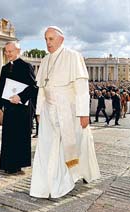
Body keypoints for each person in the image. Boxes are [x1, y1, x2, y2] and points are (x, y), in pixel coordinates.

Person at [30, 26, 100, 198]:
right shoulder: (45, 59)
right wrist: (38, 111)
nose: (48, 43)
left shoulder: (72, 56)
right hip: (48, 110)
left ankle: (81, 173)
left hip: (68, 109)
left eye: (51, 39)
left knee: (77, 143)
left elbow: (82, 88)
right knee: (48, 147)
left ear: (61, 39)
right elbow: (41, 89)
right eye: (46, 39)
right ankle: (47, 184)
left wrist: (84, 113)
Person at [0, 41, 38, 174]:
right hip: (9, 107)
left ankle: (18, 164)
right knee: (8, 135)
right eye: (6, 51)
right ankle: (8, 164)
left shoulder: (27, 66)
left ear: (18, 51)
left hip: (23, 108)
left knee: (19, 135)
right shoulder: (4, 68)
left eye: (10, 51)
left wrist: (20, 96)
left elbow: (34, 87)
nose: (8, 54)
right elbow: (1, 88)